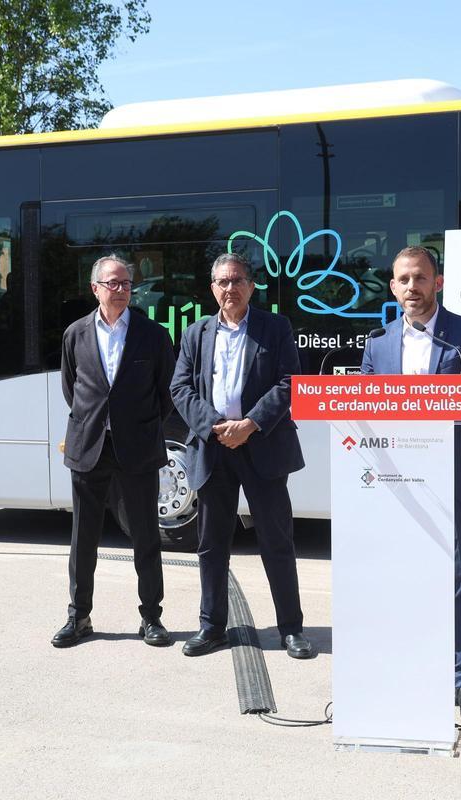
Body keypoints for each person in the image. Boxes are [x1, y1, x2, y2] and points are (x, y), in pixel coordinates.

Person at [360, 246, 461, 724]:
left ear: (436, 282)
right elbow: (363, 406)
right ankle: (411, 671)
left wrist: (433, 404)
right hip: (400, 482)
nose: (411, 288)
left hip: (457, 476)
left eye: (420, 278)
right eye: (402, 279)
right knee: (405, 578)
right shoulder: (377, 343)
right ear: (393, 286)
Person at [170, 253, 313, 659]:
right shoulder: (195, 333)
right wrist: (215, 425)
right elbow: (180, 388)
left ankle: (291, 629)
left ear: (251, 286)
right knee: (212, 545)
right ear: (212, 288)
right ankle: (211, 627)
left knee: (277, 541)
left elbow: (290, 382)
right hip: (214, 449)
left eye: (236, 281)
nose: (229, 289)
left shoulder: (276, 327)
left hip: (262, 447)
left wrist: (249, 424)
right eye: (221, 282)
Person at [51, 255, 176, 649]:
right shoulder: (75, 334)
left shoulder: (152, 334)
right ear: (95, 289)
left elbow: (164, 393)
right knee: (83, 537)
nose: (120, 290)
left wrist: (135, 424)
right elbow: (72, 388)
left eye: (125, 284)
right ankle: (79, 616)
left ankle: (151, 617)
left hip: (137, 448)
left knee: (145, 536)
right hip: (89, 447)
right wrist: (95, 422)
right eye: (112, 283)